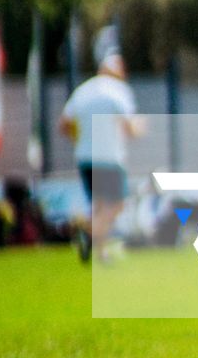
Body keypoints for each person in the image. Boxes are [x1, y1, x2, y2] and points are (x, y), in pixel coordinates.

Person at [59, 26, 143, 263]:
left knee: (98, 205)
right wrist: (140, 128)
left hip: (85, 157)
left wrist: (81, 140)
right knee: (116, 204)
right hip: (110, 157)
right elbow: (129, 127)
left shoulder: (83, 91)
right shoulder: (119, 92)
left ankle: (101, 253)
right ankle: (89, 232)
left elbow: (63, 125)